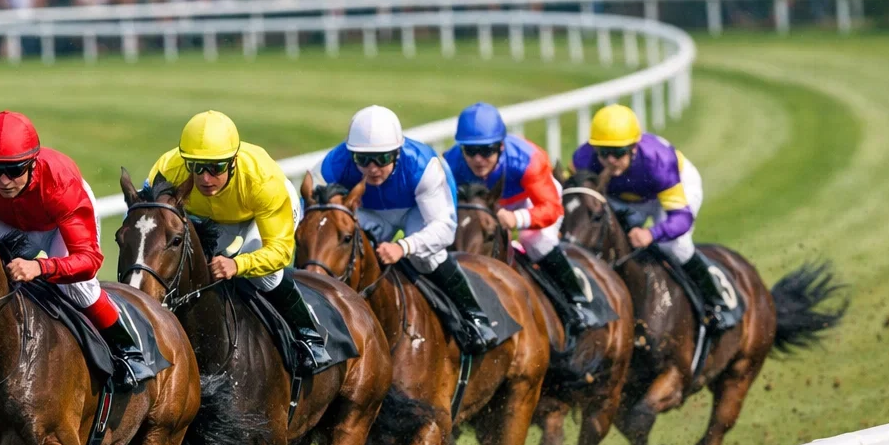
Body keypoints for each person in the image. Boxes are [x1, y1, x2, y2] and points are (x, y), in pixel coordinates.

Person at [0, 110, 143, 390]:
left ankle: (128, 352)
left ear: (33, 163)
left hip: (56, 228)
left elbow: (89, 260)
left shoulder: (61, 182)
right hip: (7, 224)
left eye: (14, 170)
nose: (3, 181)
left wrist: (41, 266)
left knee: (79, 287)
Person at [146, 109, 331, 372]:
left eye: (216, 167)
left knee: (264, 275)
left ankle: (308, 335)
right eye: (196, 167)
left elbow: (279, 251)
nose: (204, 178)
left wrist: (239, 265)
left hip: (260, 214)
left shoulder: (262, 181)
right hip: (212, 216)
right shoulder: (168, 170)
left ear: (233, 161)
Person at [312, 105, 501, 352]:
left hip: (417, 208)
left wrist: (404, 246)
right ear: (351, 155)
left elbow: (444, 229)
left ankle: (475, 318)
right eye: (363, 159)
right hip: (369, 211)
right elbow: (314, 219)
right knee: (352, 252)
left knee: (427, 257)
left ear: (398, 153)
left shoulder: (423, 166)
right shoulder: (331, 166)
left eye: (382, 158)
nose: (372, 168)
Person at [571, 104, 734, 322]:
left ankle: (715, 301)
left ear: (634, 149)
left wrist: (652, 234)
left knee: (674, 245)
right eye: (604, 153)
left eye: (618, 153)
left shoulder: (658, 161)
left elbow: (681, 219)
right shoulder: (583, 158)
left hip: (671, 188)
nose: (610, 160)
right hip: (627, 197)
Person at [444, 101, 590, 334]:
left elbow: (551, 208)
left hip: (531, 199)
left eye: (487, 150)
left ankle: (577, 302)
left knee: (535, 241)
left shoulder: (527, 160)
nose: (478, 159)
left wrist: (517, 219)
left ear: (501, 146)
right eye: (471, 151)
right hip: (484, 206)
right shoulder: (449, 164)